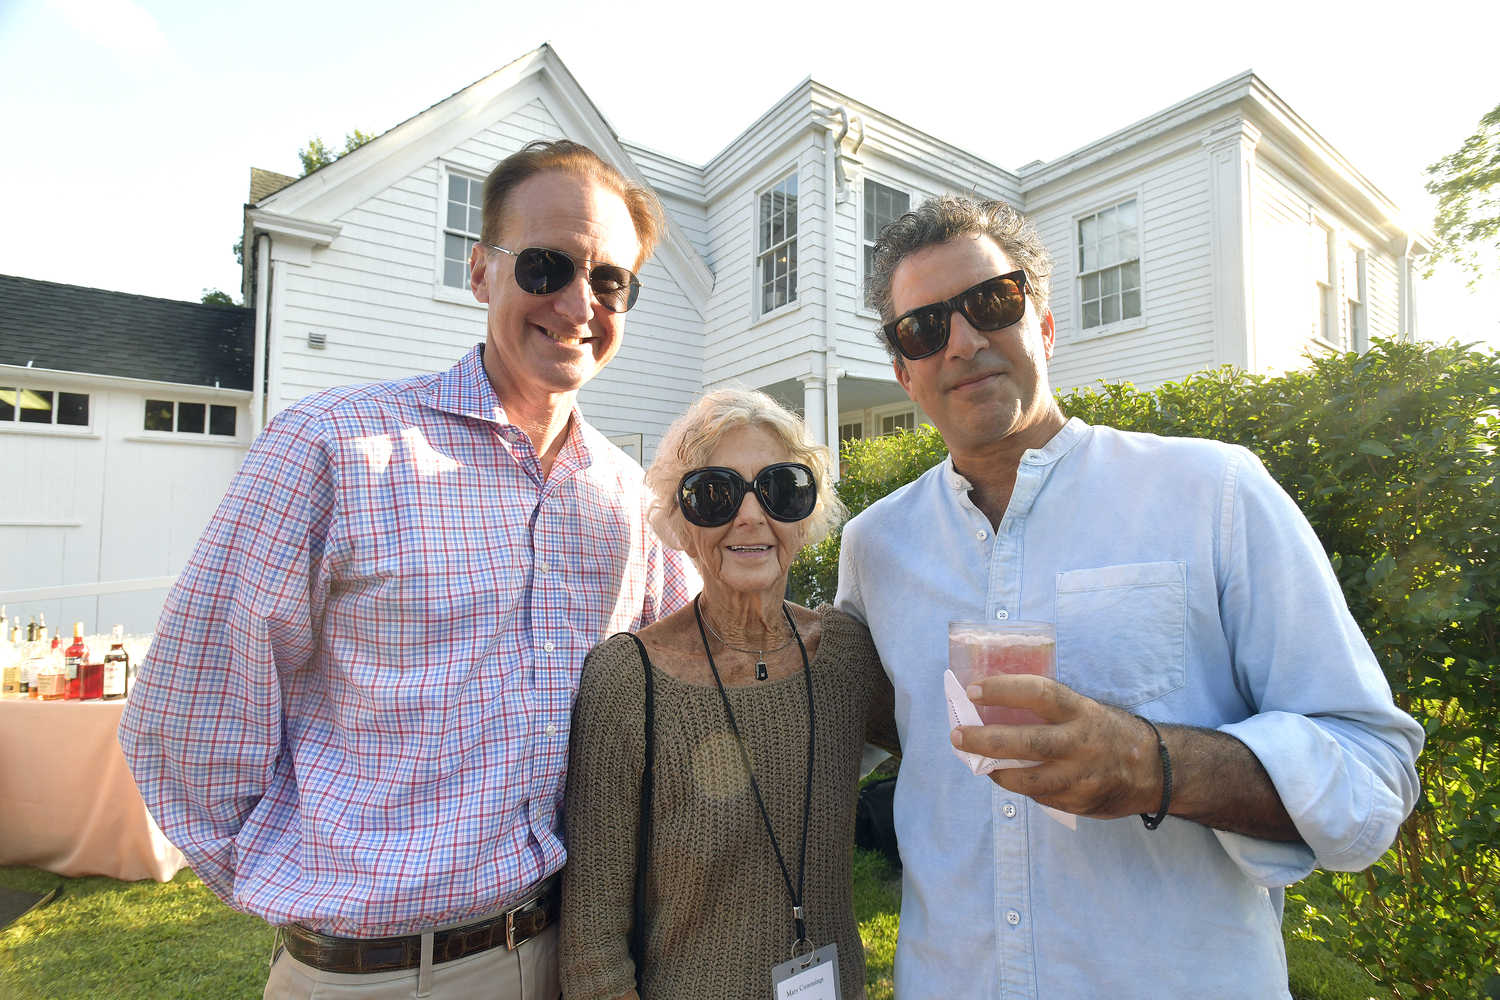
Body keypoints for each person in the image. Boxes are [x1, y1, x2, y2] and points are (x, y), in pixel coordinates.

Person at [119, 139, 697, 1000]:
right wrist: (303, 885)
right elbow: (187, 720)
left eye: (610, 280)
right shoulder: (334, 448)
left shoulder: (628, 498)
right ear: (481, 274)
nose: (580, 303)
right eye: (546, 265)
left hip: (563, 954)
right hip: (371, 975)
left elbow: (684, 682)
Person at [835, 194, 1424, 998]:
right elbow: (842, 732)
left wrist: (1153, 765)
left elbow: (1371, 769)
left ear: (1043, 323)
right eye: (925, 328)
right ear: (904, 372)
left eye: (992, 303)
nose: (964, 342)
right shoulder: (876, 545)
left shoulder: (1212, 490)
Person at [559, 388, 899, 1000]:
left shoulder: (847, 657)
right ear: (680, 521)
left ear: (806, 512)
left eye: (780, 488)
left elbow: (958, 762)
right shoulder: (628, 681)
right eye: (715, 494)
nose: (749, 517)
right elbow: (593, 945)